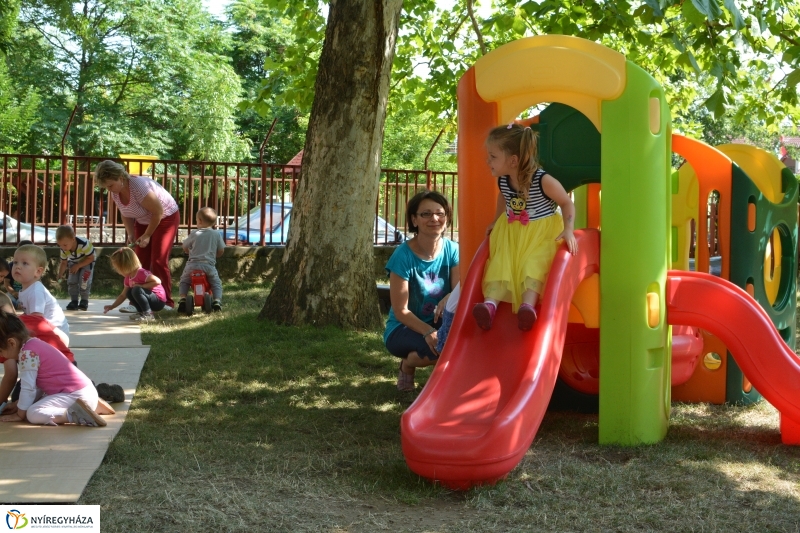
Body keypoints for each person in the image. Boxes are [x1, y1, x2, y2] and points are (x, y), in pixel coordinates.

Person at [472, 123, 577, 332]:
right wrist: (496, 219)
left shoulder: (542, 180)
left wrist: (569, 229)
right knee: (501, 262)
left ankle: (527, 307)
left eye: (493, 156)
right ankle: (490, 305)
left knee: (533, 264)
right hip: (512, 231)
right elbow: (504, 198)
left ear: (512, 160)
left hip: (541, 232)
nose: (488, 161)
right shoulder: (503, 180)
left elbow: (566, 202)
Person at [384, 190, 459, 392]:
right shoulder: (403, 256)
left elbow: (460, 289)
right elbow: (401, 311)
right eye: (426, 214)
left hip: (441, 321)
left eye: (440, 213)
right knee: (440, 348)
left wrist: (450, 296)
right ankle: (408, 365)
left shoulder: (452, 250)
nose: (435, 219)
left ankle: (438, 379)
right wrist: (428, 332)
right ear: (414, 220)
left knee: (461, 345)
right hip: (404, 327)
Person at [94, 160, 179, 309]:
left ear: (120, 177)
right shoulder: (116, 192)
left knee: (158, 259)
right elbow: (125, 214)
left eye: (110, 185)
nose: (109, 189)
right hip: (143, 220)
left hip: (165, 217)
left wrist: (147, 235)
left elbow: (158, 212)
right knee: (138, 262)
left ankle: (166, 302)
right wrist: (131, 233)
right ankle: (137, 302)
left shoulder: (139, 186)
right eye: (106, 187)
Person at [0, 309, 105, 427]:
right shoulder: (34, 344)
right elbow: (38, 386)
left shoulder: (26, 354)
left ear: (12, 343)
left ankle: (76, 414)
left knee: (32, 413)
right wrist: (19, 404)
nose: (1, 355)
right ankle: (93, 405)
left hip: (76, 395)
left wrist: (20, 414)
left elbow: (28, 388)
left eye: (0, 351)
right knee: (32, 404)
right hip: (84, 392)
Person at [14, 244, 70, 345]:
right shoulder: (26, 289)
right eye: (15, 262)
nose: (18, 266)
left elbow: (36, 319)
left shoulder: (36, 291)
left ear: (38, 271)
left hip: (55, 333)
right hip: (45, 328)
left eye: (25, 263)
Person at [177, 207, 225, 313]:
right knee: (216, 283)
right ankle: (217, 300)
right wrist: (214, 256)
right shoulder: (216, 234)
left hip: (192, 265)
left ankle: (183, 298)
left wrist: (188, 251)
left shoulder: (195, 233)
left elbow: (184, 246)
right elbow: (221, 250)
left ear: (199, 220)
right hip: (209, 265)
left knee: (184, 281)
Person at [104, 248, 166, 322]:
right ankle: (141, 312)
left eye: (118, 268)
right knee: (129, 292)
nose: (117, 271)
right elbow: (123, 295)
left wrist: (142, 286)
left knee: (136, 290)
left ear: (125, 266)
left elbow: (157, 281)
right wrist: (112, 306)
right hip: (148, 298)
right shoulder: (128, 278)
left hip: (158, 301)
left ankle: (148, 314)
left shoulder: (141, 273)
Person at [56, 225, 96, 311]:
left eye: (65, 245)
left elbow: (91, 258)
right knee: (72, 281)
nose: (63, 248)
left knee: (84, 280)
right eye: (60, 245)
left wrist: (78, 265)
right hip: (73, 262)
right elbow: (64, 262)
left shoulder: (84, 244)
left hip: (87, 261)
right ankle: (74, 301)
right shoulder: (63, 249)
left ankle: (84, 300)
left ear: (73, 239)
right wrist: (60, 274)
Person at [4, 240, 33, 309]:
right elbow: (6, 282)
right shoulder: (11, 266)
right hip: (13, 294)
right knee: (5, 299)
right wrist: (13, 292)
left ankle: (20, 305)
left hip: (27, 294)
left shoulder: (33, 266)